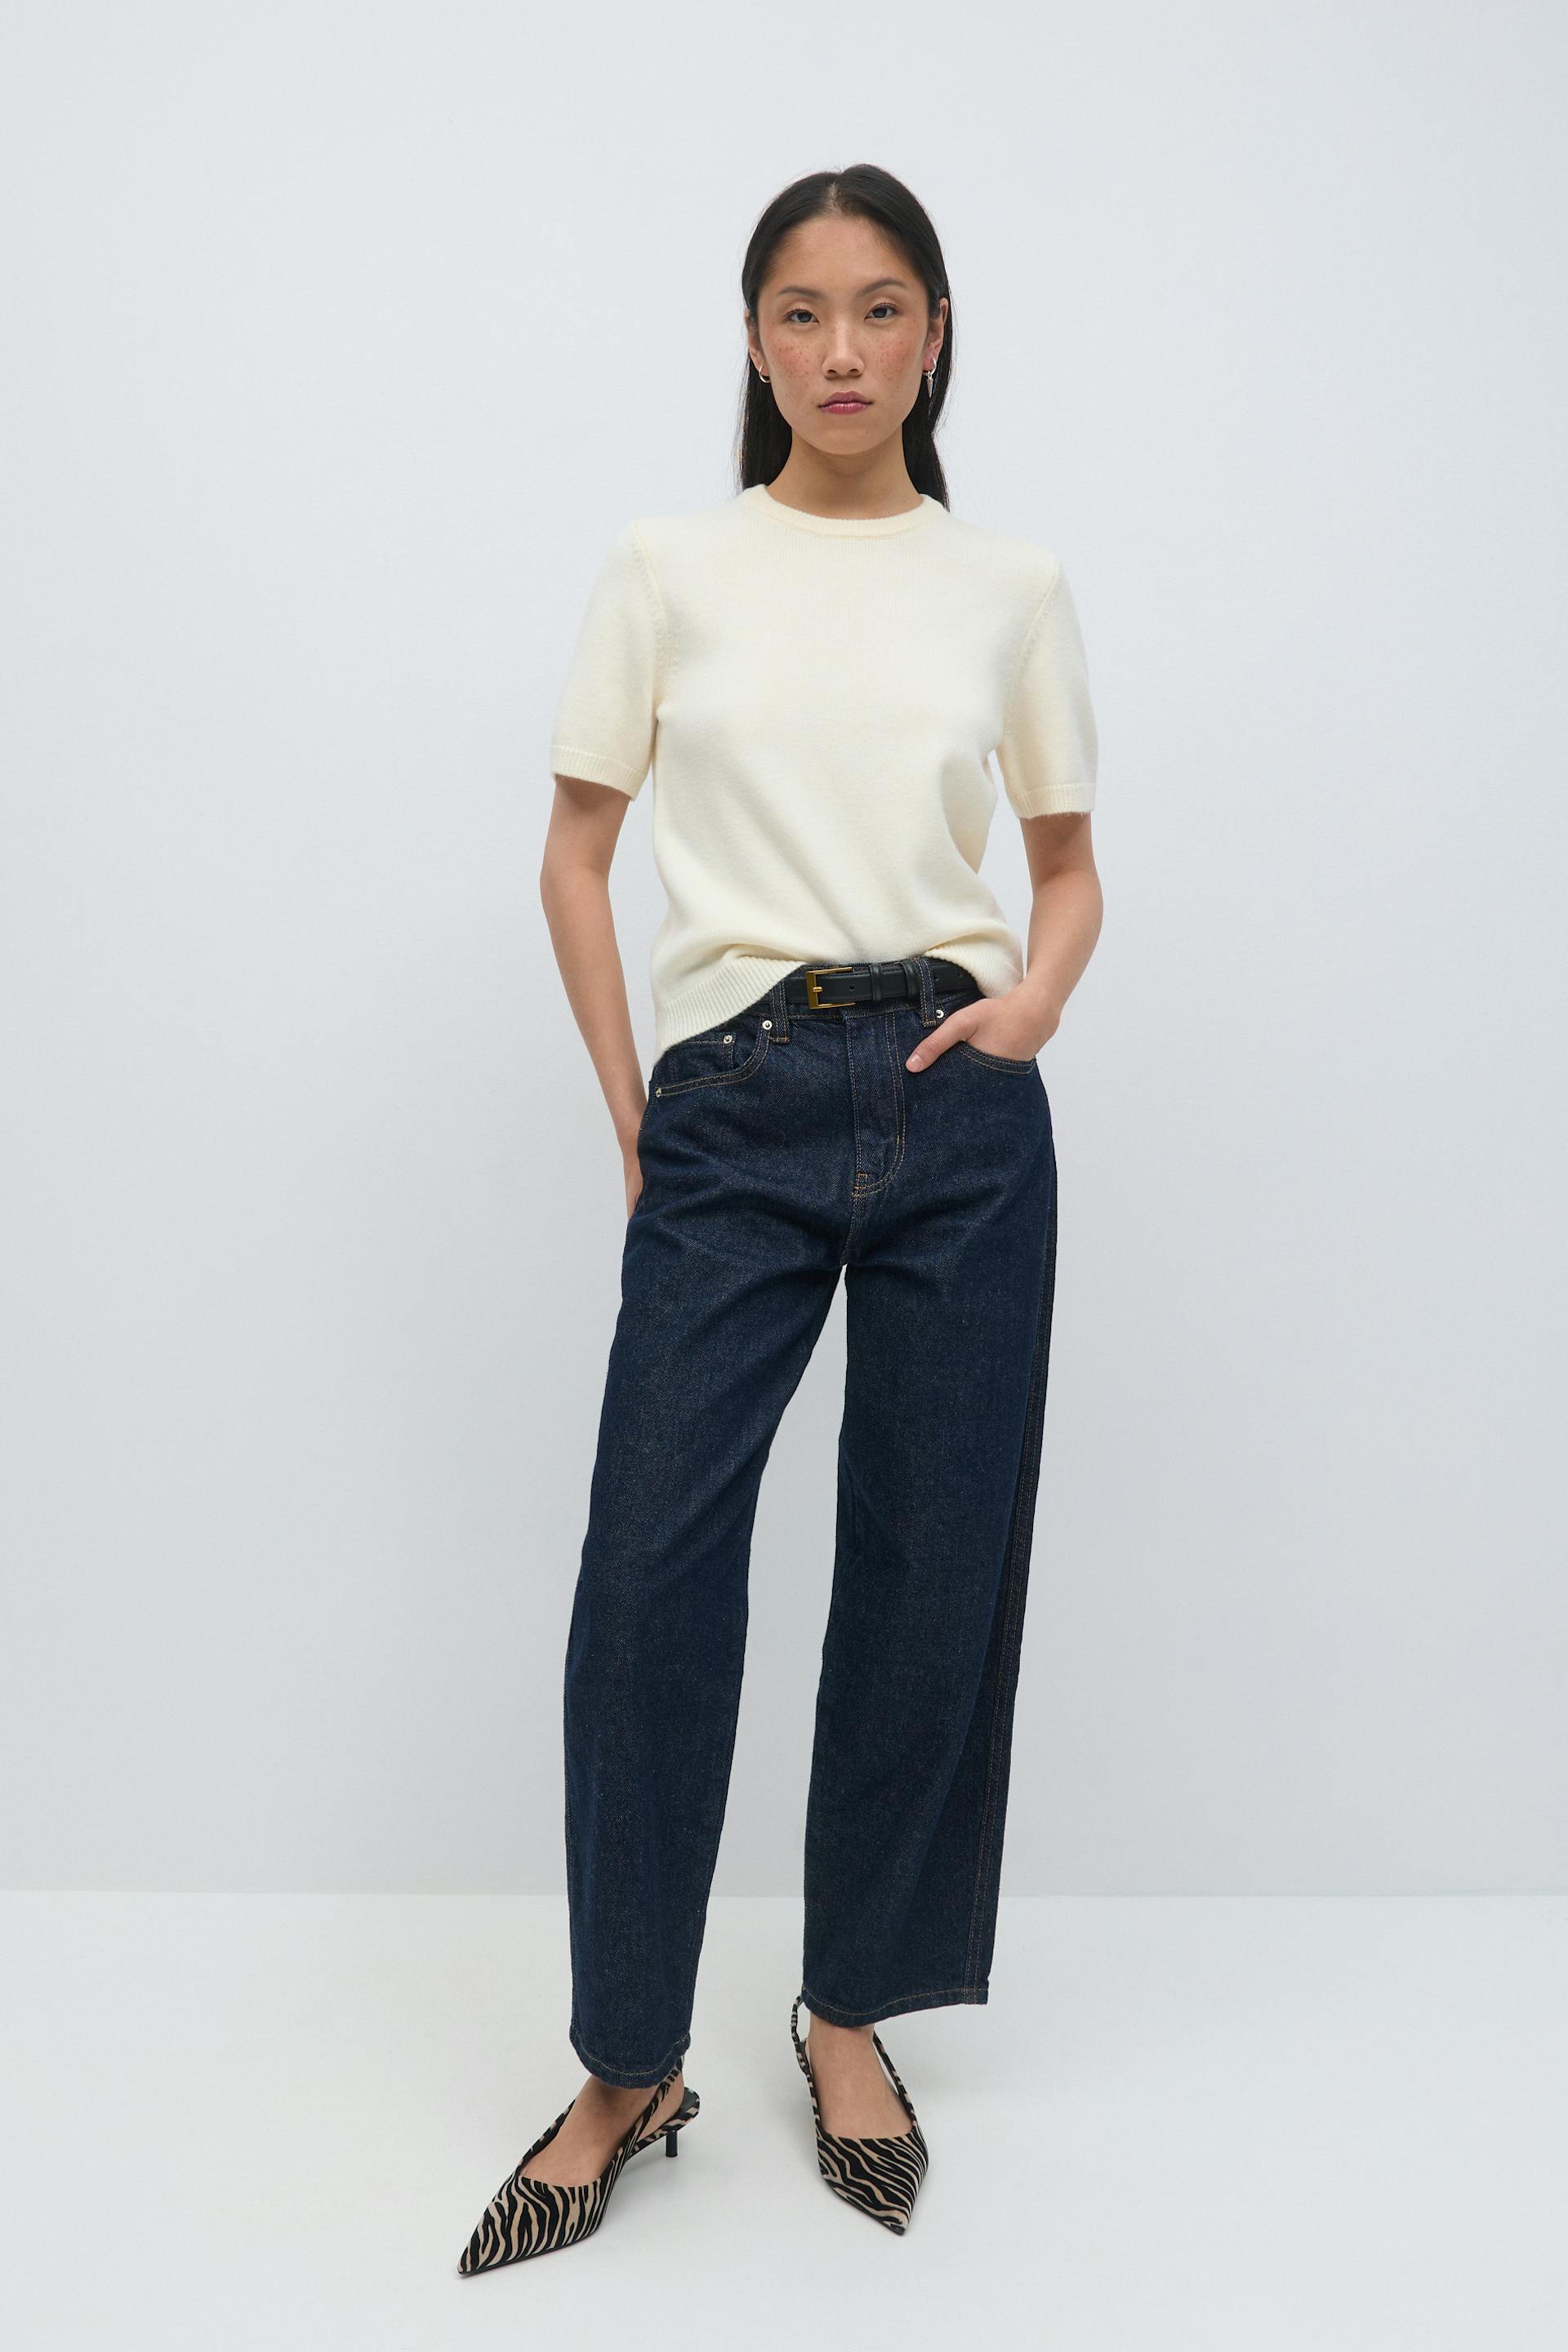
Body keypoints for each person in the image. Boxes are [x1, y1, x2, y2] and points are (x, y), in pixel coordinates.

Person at [458, 161, 1102, 2274]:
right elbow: (574, 851)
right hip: (735, 1097)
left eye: (882, 308)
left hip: (956, 1104)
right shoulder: (673, 566)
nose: (843, 350)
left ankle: (848, 2014)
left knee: (932, 1567)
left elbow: (1068, 866)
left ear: (936, 337)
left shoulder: (1006, 583)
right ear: (754, 339)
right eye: (804, 313)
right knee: (651, 1571)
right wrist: (635, 1108)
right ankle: (628, 2062)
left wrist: (1031, 1004)